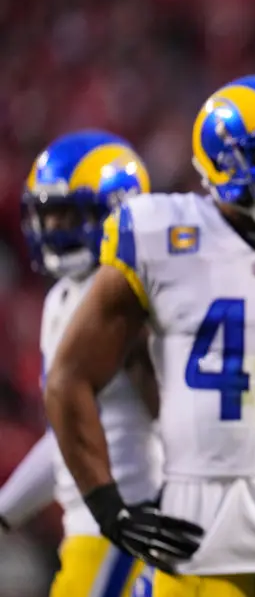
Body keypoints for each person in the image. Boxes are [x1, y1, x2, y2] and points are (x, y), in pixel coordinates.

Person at [44, 75, 255, 597]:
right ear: (220, 161)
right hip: (197, 533)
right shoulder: (159, 234)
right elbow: (68, 379)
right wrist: (107, 507)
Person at [0, 130, 160, 597]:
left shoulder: (136, 297)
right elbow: (68, 435)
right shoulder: (63, 299)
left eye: (70, 214)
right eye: (48, 215)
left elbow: (176, 418)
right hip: (93, 526)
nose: (54, 229)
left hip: (128, 522)